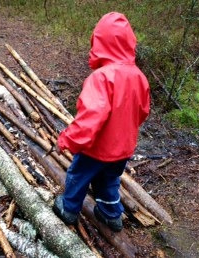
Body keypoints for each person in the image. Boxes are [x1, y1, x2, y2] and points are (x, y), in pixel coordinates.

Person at [53, 12, 150, 232]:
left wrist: (67, 139)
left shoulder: (101, 78)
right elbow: (142, 112)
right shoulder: (139, 77)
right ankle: (111, 215)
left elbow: (90, 118)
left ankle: (68, 209)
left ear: (100, 43)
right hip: (123, 149)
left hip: (96, 148)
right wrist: (125, 131)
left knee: (78, 175)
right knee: (109, 180)